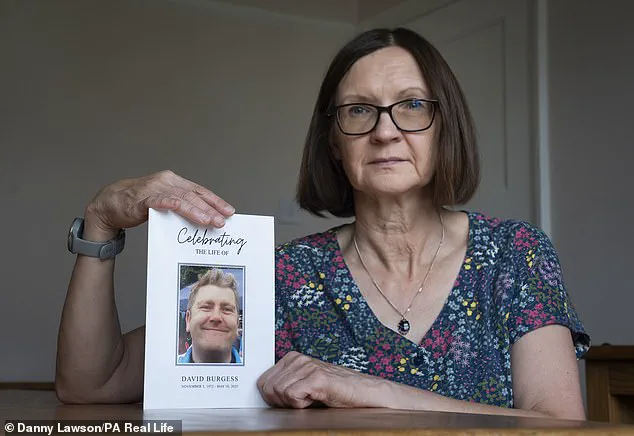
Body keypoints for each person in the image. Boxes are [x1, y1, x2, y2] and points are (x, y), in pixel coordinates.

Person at [55, 27, 589, 419]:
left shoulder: (516, 254)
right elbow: (91, 384)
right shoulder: (283, 278)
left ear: (443, 126)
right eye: (358, 110)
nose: (385, 131)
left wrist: (374, 390)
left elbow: (561, 426)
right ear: (333, 142)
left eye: (411, 105)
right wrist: (100, 222)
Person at [178, 269, 241, 364]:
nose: (216, 317)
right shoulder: (164, 369)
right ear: (188, 319)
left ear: (237, 323)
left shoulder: (258, 371)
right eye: (206, 307)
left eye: (227, 309)